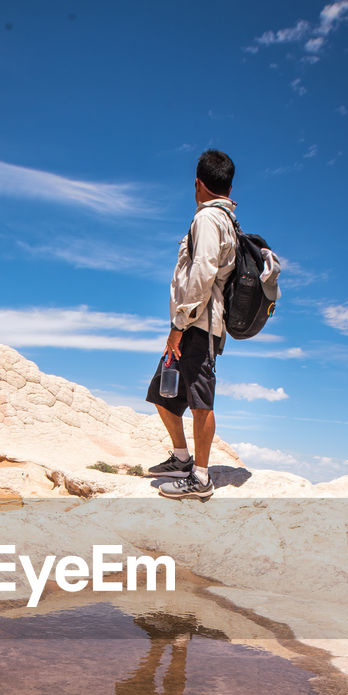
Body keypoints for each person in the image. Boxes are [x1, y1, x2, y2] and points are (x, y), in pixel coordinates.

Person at [145, 149, 237, 500]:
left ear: (198, 183)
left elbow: (202, 273)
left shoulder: (208, 219)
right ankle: (182, 459)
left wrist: (179, 324)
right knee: (162, 394)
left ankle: (200, 478)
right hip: (196, 324)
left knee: (201, 401)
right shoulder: (222, 219)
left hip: (199, 326)